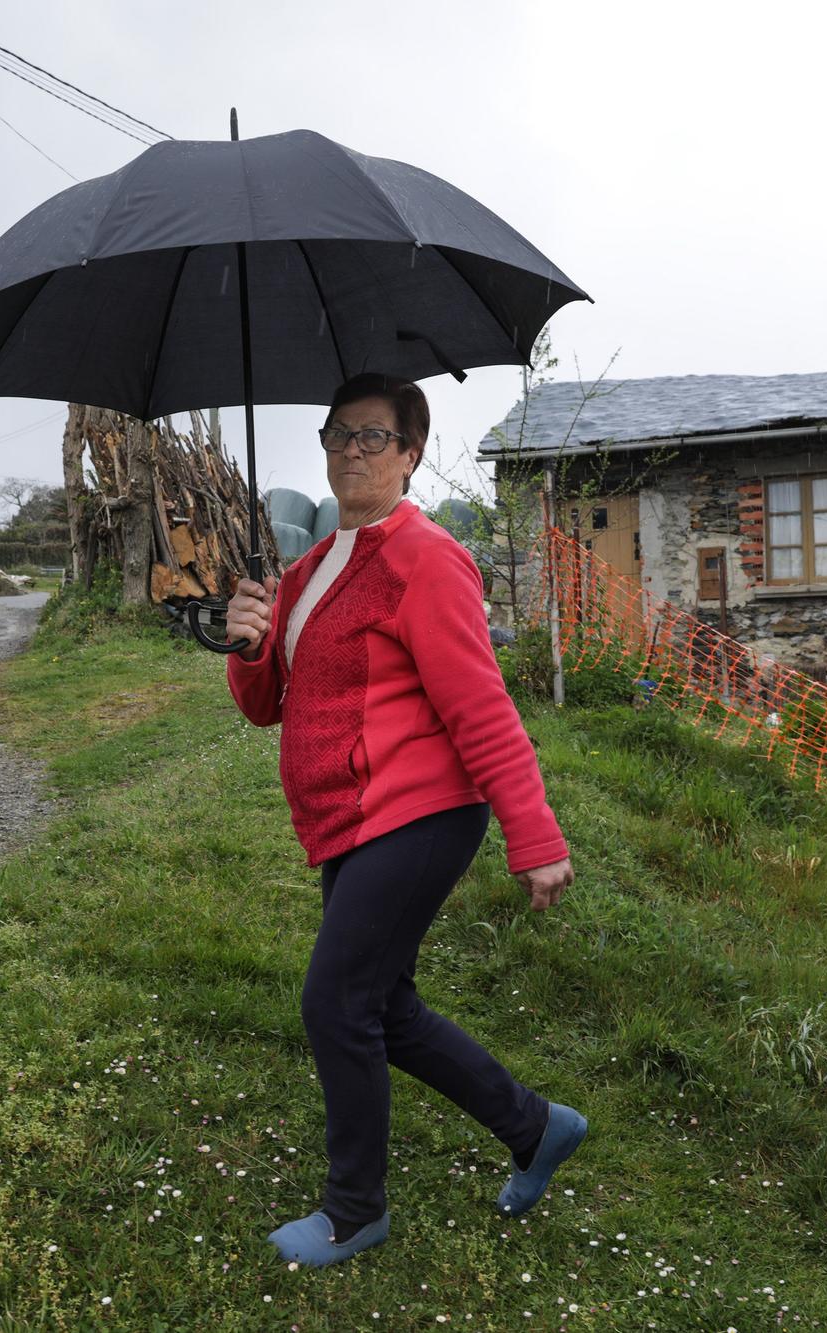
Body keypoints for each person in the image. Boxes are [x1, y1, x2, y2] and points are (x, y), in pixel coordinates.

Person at [224, 372, 587, 1269]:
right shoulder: (308, 568)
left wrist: (534, 838)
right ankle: (536, 1126)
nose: (351, 449)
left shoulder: (426, 558)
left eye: (374, 436)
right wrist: (244, 641)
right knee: (381, 1005)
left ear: (411, 454)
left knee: (335, 999)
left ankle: (355, 1210)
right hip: (350, 818)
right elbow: (270, 703)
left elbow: (483, 708)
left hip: (421, 813)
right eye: (338, 432)